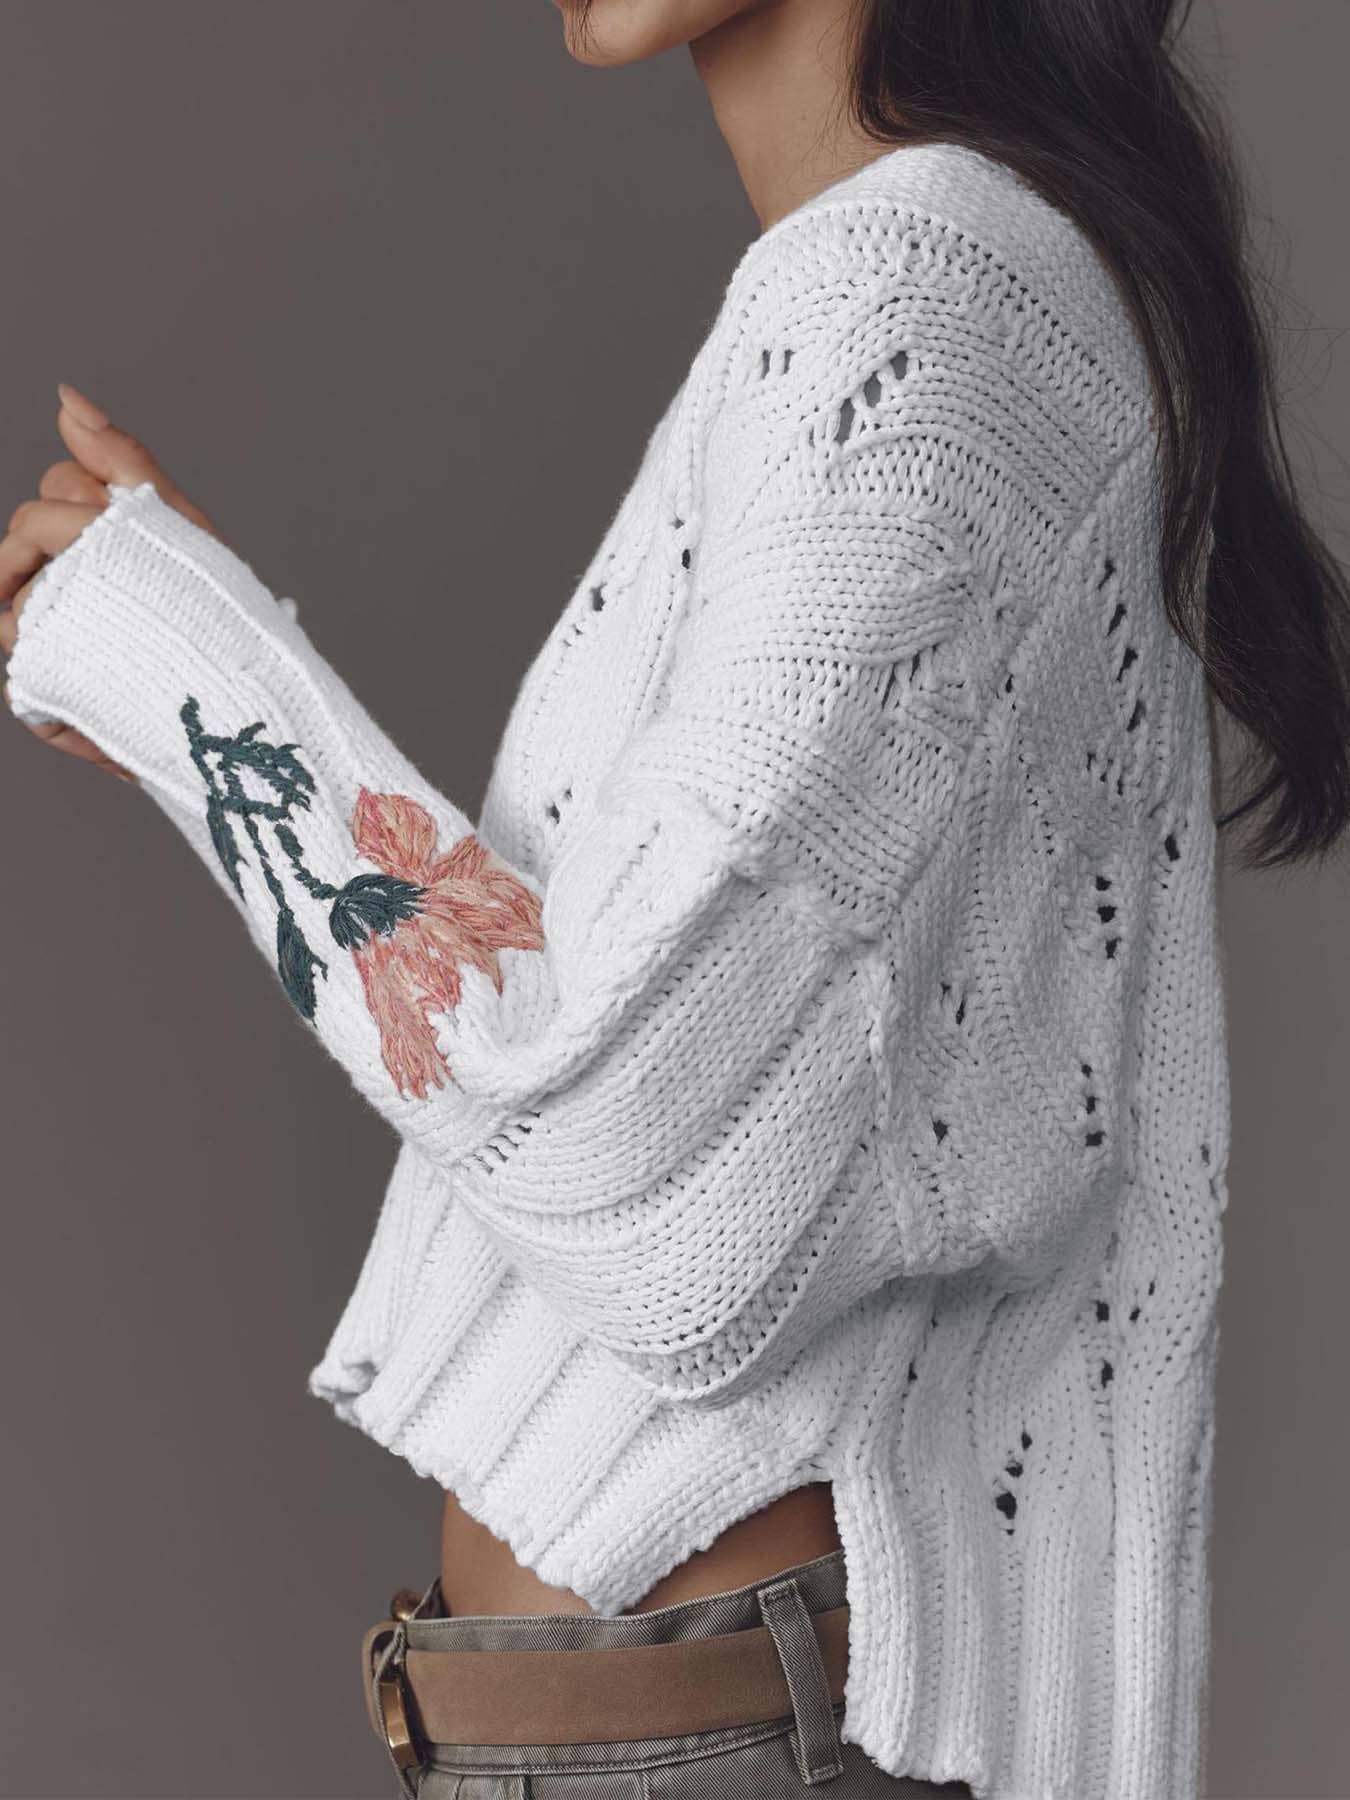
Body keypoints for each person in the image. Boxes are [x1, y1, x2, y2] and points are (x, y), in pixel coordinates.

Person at [3, 1, 1348, 1796]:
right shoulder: (945, 281)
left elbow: (648, 1175)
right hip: (667, 1729)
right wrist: (205, 688)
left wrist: (199, 674)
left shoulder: (912, 299)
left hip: (707, 1745)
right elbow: (659, 1005)